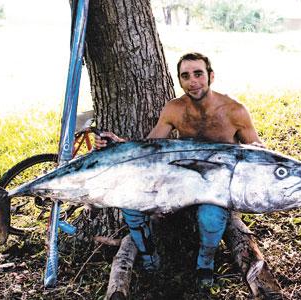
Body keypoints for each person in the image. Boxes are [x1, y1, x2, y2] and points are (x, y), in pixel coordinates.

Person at [95, 52, 263, 291]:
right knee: (129, 200)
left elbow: (256, 147)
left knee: (211, 216)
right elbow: (150, 147)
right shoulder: (174, 109)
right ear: (180, 81)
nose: (192, 81)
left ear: (211, 76)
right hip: (179, 181)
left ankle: (205, 263)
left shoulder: (235, 111)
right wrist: (117, 144)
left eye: (198, 74)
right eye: (185, 76)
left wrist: (259, 149)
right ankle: (149, 257)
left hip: (216, 186)